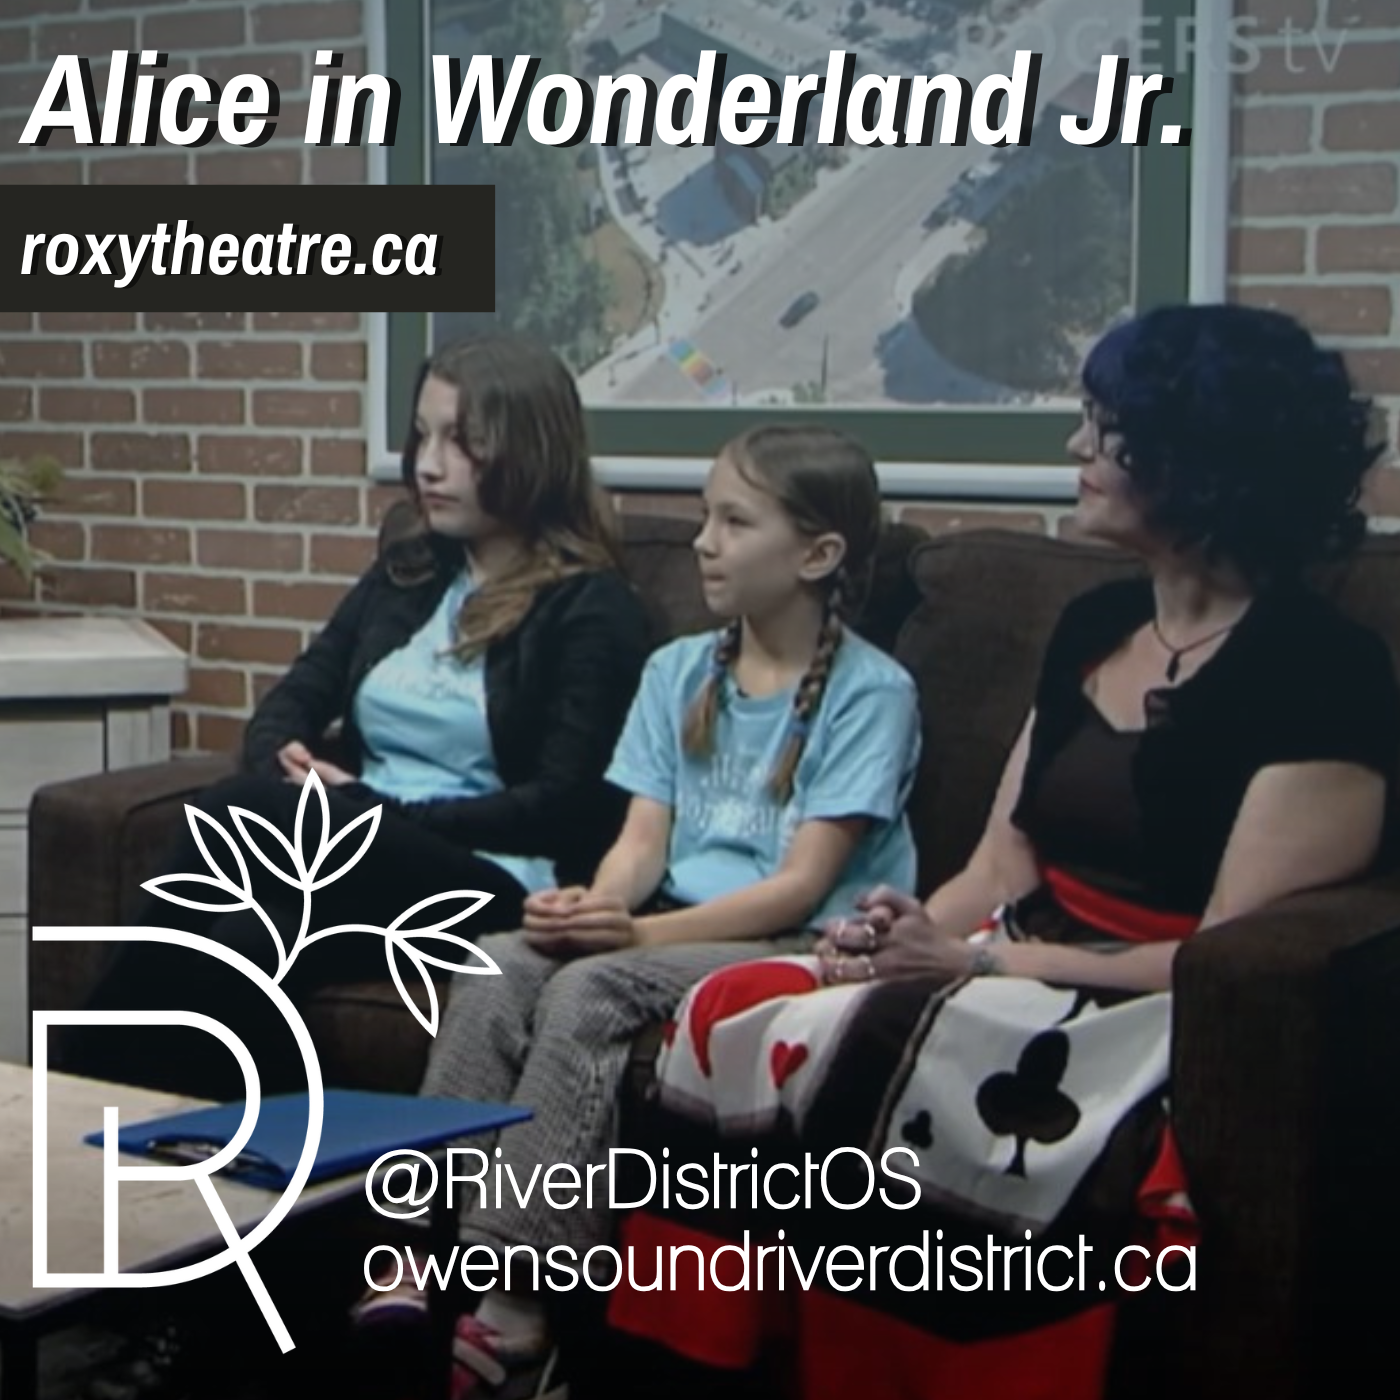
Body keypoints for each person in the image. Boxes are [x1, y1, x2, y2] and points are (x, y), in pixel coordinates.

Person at [608, 304, 1400, 1400]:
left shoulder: (1321, 671)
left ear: (1196, 456)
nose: (1074, 451)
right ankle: (693, 1366)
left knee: (879, 1034)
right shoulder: (1092, 624)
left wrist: (975, 966)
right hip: (1002, 951)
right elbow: (996, 863)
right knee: (732, 1007)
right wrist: (906, 927)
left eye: (1103, 429)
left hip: (1137, 999)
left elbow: (1217, 959)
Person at [361, 423, 923, 1397]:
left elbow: (797, 886)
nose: (701, 540)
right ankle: (409, 1245)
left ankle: (516, 1309)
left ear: (817, 554)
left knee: (593, 988)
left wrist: (629, 937)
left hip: (801, 944)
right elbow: (639, 842)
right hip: (670, 918)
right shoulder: (676, 671)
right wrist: (593, 903)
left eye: (732, 521)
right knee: (499, 962)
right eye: (705, 514)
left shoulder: (873, 693)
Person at [62, 333, 651, 1101]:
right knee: (238, 936)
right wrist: (287, 757)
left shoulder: (591, 607)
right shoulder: (412, 569)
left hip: (495, 877)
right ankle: (268, 1166)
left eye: (461, 444)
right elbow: (292, 701)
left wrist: (378, 810)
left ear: (530, 453)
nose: (429, 464)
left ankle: (63, 1095)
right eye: (424, 435)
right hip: (361, 847)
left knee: (238, 810)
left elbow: (564, 808)